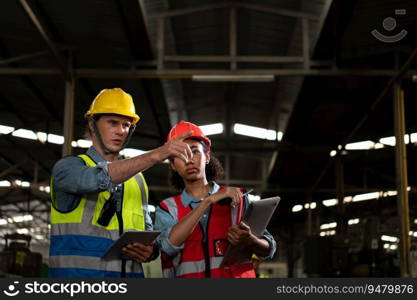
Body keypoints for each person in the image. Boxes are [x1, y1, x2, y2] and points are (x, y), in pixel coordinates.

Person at [49, 88, 194, 278]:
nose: (120, 131)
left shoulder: (138, 180)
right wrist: (158, 154)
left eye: (126, 125)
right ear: (92, 125)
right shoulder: (67, 169)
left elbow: (147, 234)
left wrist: (150, 251)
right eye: (113, 123)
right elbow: (98, 178)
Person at [155, 121, 277, 278]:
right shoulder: (167, 208)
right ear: (172, 164)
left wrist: (250, 240)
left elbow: (269, 248)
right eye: (180, 155)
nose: (189, 160)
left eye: (195, 152)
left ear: (206, 157)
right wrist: (207, 201)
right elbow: (166, 247)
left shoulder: (238, 198)